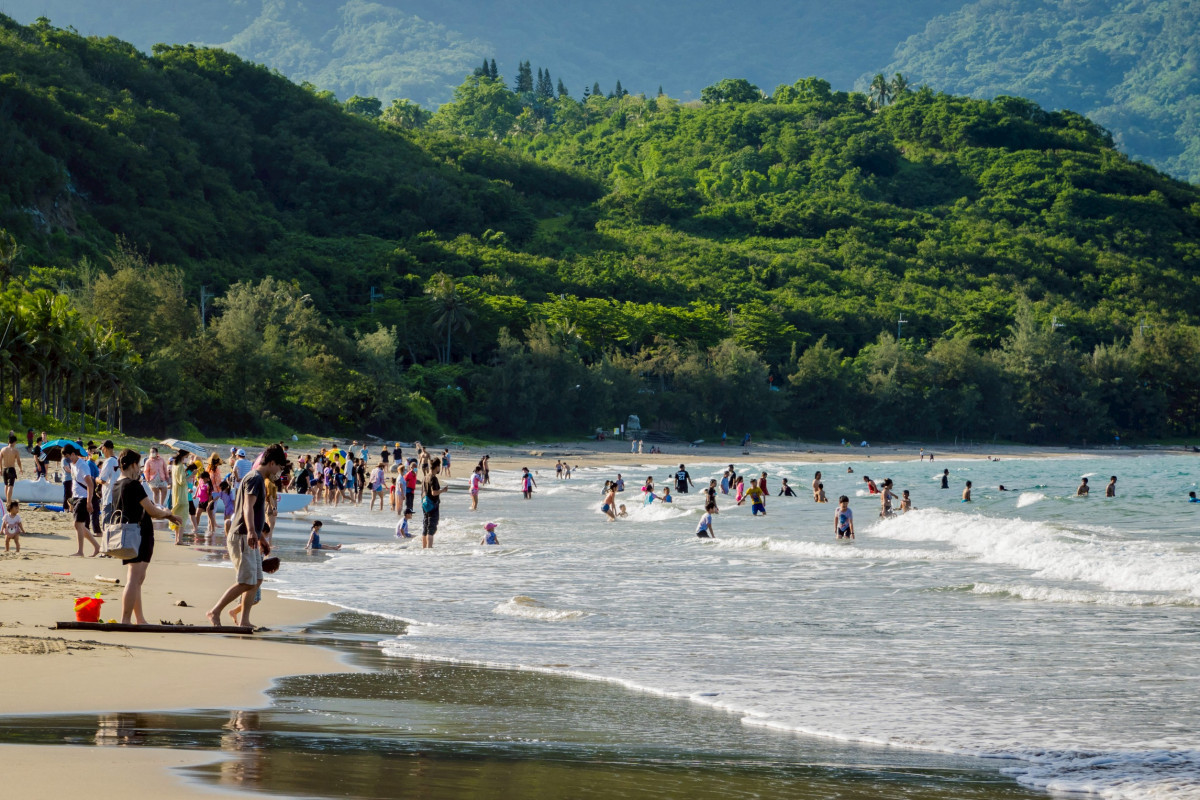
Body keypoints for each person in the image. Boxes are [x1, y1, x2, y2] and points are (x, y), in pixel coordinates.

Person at [207, 443, 286, 627]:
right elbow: (247, 507)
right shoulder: (255, 478)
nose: (279, 473)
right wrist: (251, 532)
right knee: (246, 581)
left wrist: (261, 538)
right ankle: (214, 611)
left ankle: (244, 620)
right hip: (242, 535)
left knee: (256, 580)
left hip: (250, 535)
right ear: (272, 462)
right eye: (280, 468)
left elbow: (254, 511)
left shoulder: (257, 478)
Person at [112, 449, 181, 625]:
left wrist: (166, 515)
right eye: (139, 466)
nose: (140, 470)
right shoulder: (133, 485)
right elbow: (150, 510)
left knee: (136, 579)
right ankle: (126, 619)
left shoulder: (117, 484)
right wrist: (167, 514)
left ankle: (139, 618)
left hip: (127, 534)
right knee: (134, 579)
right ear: (133, 465)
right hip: (139, 533)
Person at [63, 444, 100, 557]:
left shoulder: (82, 465)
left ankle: (80, 551)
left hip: (84, 498)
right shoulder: (73, 464)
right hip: (77, 497)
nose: (68, 459)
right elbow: (75, 483)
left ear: (73, 454)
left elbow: (90, 484)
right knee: (79, 525)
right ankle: (97, 547)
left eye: (69, 457)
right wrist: (71, 501)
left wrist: (89, 501)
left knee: (78, 524)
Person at [421, 457, 446, 549]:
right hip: (433, 505)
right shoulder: (433, 478)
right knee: (431, 529)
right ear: (437, 467)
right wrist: (443, 490)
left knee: (425, 527)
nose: (439, 468)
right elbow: (434, 492)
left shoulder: (425, 477)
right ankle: (429, 549)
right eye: (439, 466)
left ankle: (424, 548)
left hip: (424, 504)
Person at [170, 449, 191, 543]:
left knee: (176, 515)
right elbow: (182, 481)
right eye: (187, 457)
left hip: (175, 494)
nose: (187, 458)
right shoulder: (180, 466)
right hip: (181, 494)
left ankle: (176, 539)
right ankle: (180, 539)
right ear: (184, 456)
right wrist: (191, 475)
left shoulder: (174, 466)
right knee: (183, 516)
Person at [1, 433, 23, 505]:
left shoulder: (3, 449)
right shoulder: (15, 450)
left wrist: (0, 469)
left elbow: (0, 460)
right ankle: (9, 501)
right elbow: (18, 461)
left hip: (4, 468)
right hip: (11, 469)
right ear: (14, 442)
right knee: (11, 486)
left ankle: (7, 500)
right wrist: (20, 468)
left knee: (6, 485)